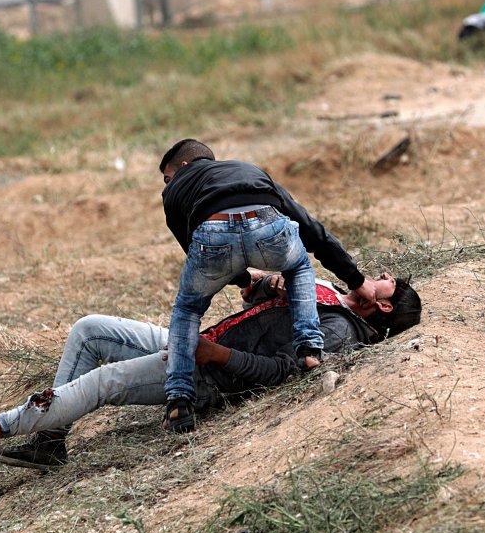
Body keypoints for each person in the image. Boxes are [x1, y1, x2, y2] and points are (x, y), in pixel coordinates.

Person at [0, 271, 422, 471]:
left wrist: (214, 358)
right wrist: (256, 280)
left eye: (385, 280)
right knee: (89, 329)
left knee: (105, 382)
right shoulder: (335, 292)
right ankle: (49, 441)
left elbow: (283, 372)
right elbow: (258, 298)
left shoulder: (339, 333)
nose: (375, 273)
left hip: (205, 372)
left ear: (382, 307)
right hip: (198, 341)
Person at [158, 139, 378, 433]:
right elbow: (312, 229)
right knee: (298, 267)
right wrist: (356, 279)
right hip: (267, 224)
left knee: (187, 308)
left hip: (211, 231)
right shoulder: (248, 170)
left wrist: (241, 279)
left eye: (167, 177)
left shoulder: (174, 190)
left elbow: (193, 246)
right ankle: (309, 348)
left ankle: (179, 401)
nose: (167, 184)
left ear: (183, 166)